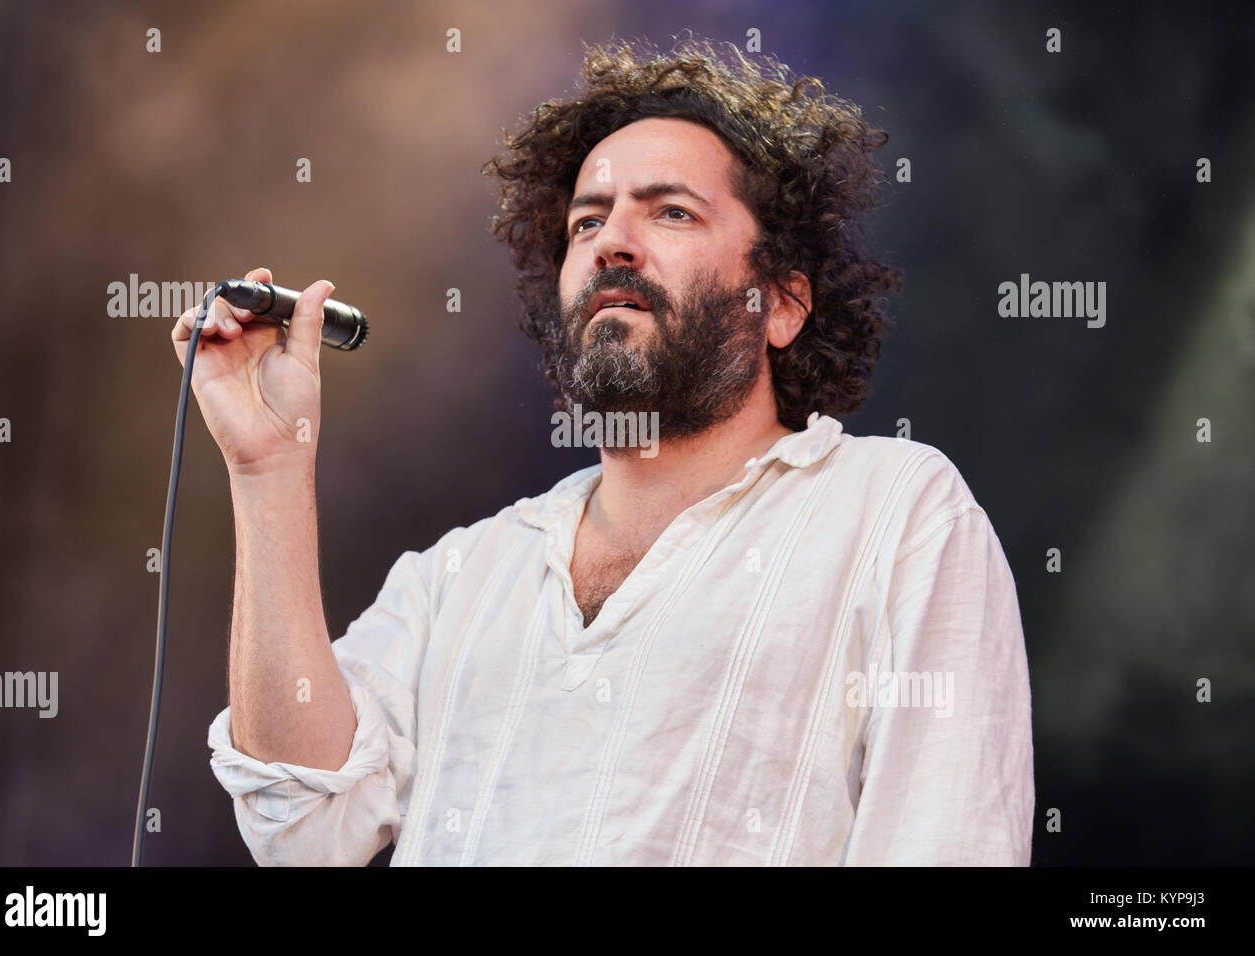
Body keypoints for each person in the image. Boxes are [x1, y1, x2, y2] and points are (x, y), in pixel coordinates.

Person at [172, 37, 1034, 866]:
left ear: (778, 304)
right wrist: (268, 468)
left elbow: (946, 839)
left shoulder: (894, 514)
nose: (613, 241)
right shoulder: (463, 577)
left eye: (670, 211)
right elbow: (302, 825)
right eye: (588, 222)